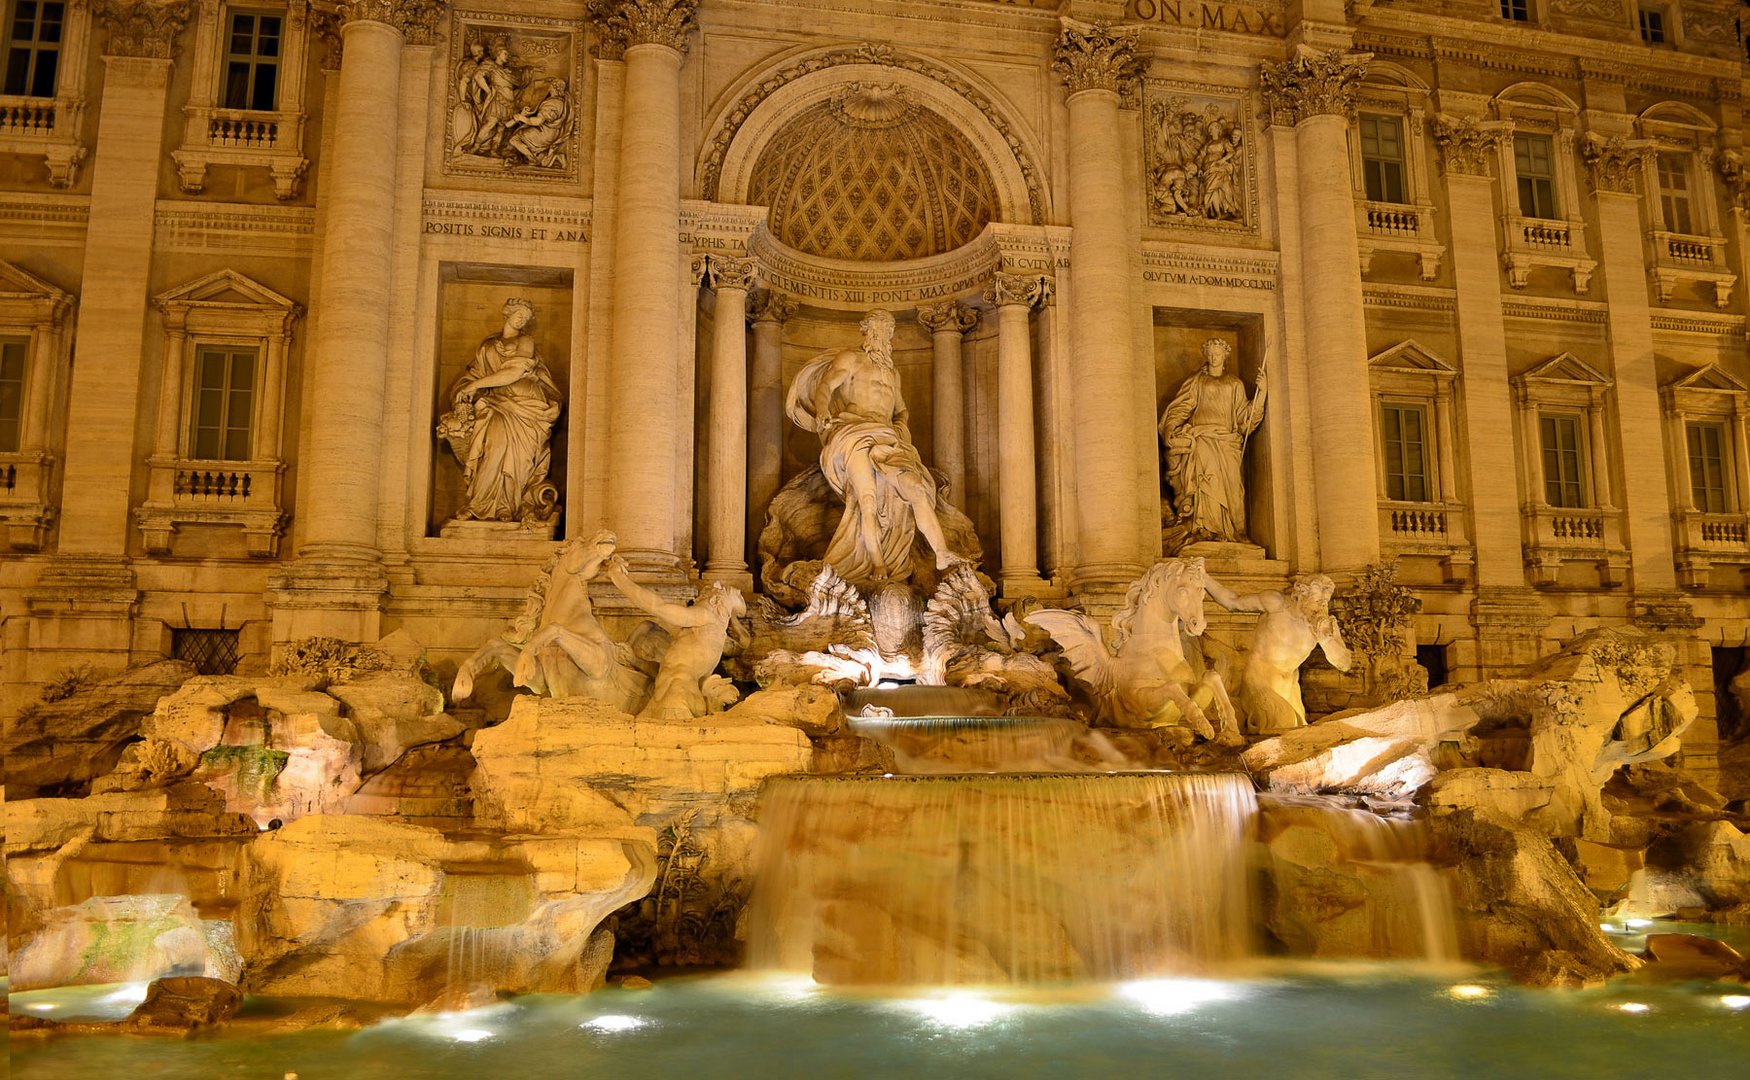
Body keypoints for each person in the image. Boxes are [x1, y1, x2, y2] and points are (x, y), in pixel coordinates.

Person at [785, 309, 960, 587]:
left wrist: (901, 430)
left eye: (888, 331)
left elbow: (900, 411)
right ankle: (877, 561)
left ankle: (941, 553)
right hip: (853, 433)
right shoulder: (850, 359)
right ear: (866, 332)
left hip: (888, 438)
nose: (883, 336)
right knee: (866, 500)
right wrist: (821, 410)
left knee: (916, 489)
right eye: (877, 329)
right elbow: (825, 387)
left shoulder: (893, 373)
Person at [437, 298, 562, 523]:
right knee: (495, 447)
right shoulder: (487, 347)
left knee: (520, 460)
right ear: (508, 314)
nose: (522, 320)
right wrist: (464, 389)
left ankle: (509, 506)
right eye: (519, 315)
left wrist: (476, 385)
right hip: (496, 404)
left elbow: (515, 371)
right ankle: (479, 505)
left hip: (526, 406)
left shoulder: (526, 341)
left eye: (526, 318)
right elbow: (472, 376)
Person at [1203, 573, 1352, 734]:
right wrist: (1203, 577)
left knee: (1301, 732)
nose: (1321, 608)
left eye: (1324, 603)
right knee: (1283, 724)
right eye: (1316, 602)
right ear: (1300, 597)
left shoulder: (1321, 625)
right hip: (1259, 681)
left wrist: (1327, 641)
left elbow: (1344, 664)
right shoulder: (1276, 604)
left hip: (1290, 688)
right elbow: (1232, 602)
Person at [605, 556, 747, 719]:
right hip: (668, 697)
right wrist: (636, 661)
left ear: (714, 601)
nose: (697, 602)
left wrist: (619, 578)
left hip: (676, 697)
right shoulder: (714, 638)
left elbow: (657, 607)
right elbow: (672, 667)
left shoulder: (705, 616)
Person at [1159, 338, 1266, 544]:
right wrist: (1172, 427)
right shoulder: (1197, 381)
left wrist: (1262, 392)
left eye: (1218, 353)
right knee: (1207, 481)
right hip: (1203, 438)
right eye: (1210, 354)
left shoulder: (1235, 384)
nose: (1214, 357)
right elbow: (1181, 407)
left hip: (1228, 442)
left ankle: (1231, 531)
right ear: (1206, 356)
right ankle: (1205, 529)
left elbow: (1245, 417)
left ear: (1225, 356)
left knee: (1233, 486)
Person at [502, 80, 570, 168]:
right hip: (552, 132)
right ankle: (554, 157)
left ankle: (533, 160)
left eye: (550, 85)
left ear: (553, 87)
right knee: (524, 135)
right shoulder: (561, 102)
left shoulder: (551, 103)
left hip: (545, 134)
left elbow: (538, 121)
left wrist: (521, 117)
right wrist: (526, 114)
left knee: (515, 139)